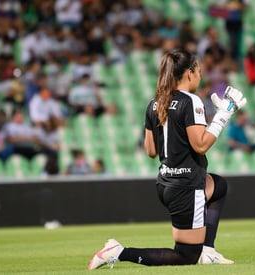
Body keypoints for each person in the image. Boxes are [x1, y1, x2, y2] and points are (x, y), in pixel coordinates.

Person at [88, 49, 246, 269]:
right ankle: (119, 252)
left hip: (166, 183)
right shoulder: (191, 101)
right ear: (189, 73)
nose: (200, 76)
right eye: (199, 71)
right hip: (186, 187)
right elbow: (200, 145)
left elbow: (151, 150)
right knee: (185, 257)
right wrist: (224, 114)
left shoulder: (155, 103)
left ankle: (208, 251)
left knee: (219, 186)